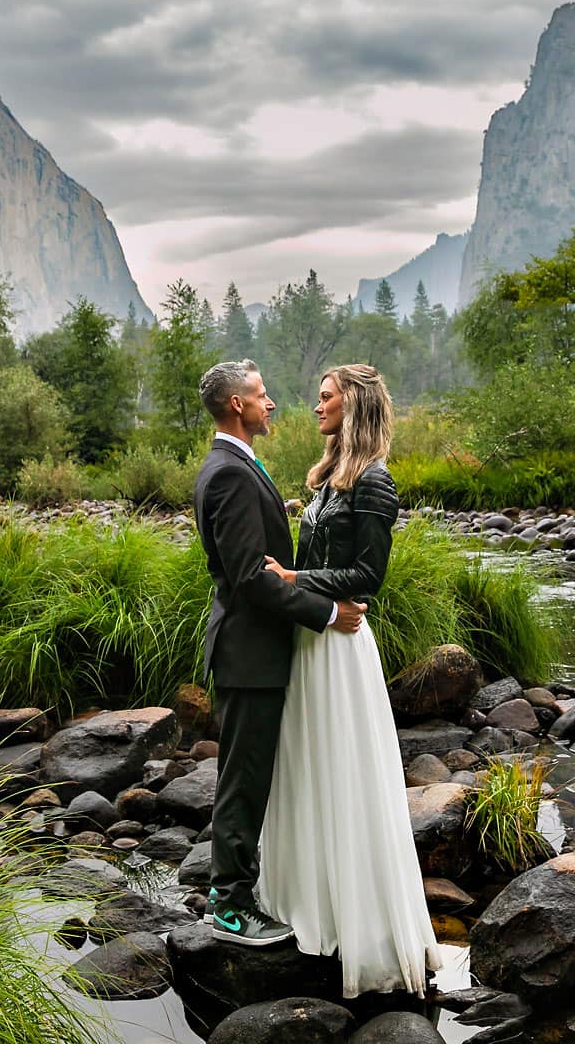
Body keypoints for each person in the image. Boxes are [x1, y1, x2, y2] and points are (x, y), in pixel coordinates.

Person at [254, 363, 442, 997]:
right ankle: (310, 908)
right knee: (307, 768)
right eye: (316, 398)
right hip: (314, 639)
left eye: (326, 397)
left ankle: (364, 927)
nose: (315, 406)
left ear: (355, 405)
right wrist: (296, 589)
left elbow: (368, 577)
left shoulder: (376, 483)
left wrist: (295, 582)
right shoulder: (327, 481)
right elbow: (308, 566)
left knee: (346, 773)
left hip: (344, 647)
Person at [191, 359, 365, 947]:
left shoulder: (235, 464)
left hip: (255, 650)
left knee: (252, 773)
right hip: (249, 652)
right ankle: (230, 908)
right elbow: (248, 577)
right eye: (262, 397)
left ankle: (241, 892)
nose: (272, 404)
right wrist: (324, 612)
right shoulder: (230, 473)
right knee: (243, 778)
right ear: (237, 406)